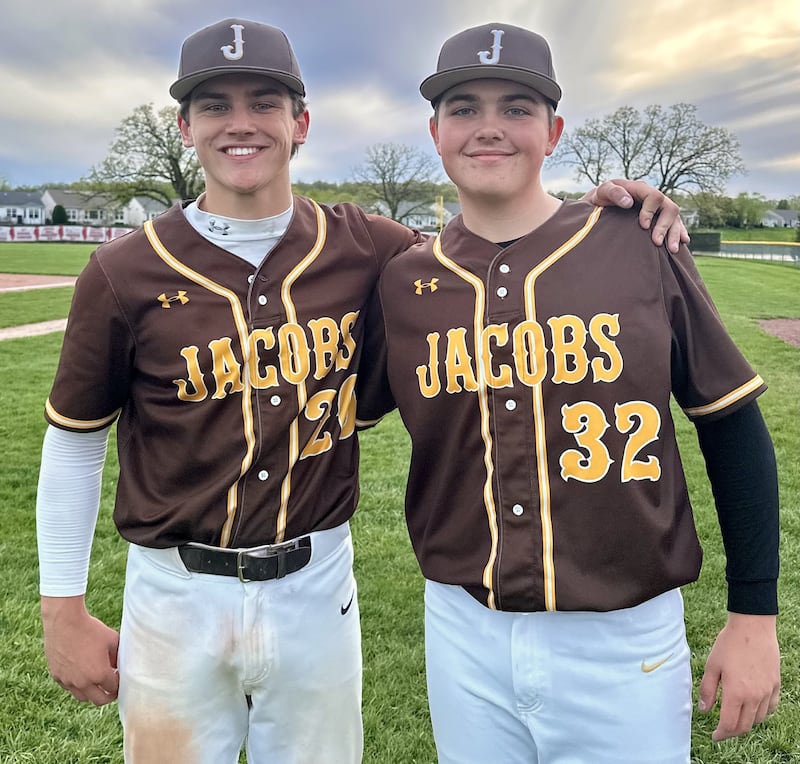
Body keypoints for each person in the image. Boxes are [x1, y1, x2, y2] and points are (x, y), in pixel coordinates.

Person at [36, 17, 690, 764]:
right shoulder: (125, 269)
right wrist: (63, 607)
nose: (241, 123)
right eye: (215, 105)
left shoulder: (368, 248)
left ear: (301, 123)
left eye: (266, 102)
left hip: (315, 586)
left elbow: (489, 244)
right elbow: (75, 438)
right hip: (172, 591)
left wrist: (611, 211)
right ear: (185, 127)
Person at [360, 21, 781, 764]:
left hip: (622, 637)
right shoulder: (402, 282)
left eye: (516, 109)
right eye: (464, 108)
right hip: (461, 629)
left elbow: (731, 423)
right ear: (434, 131)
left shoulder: (637, 243)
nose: (489, 128)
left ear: (553, 132)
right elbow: (327, 404)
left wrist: (755, 614)